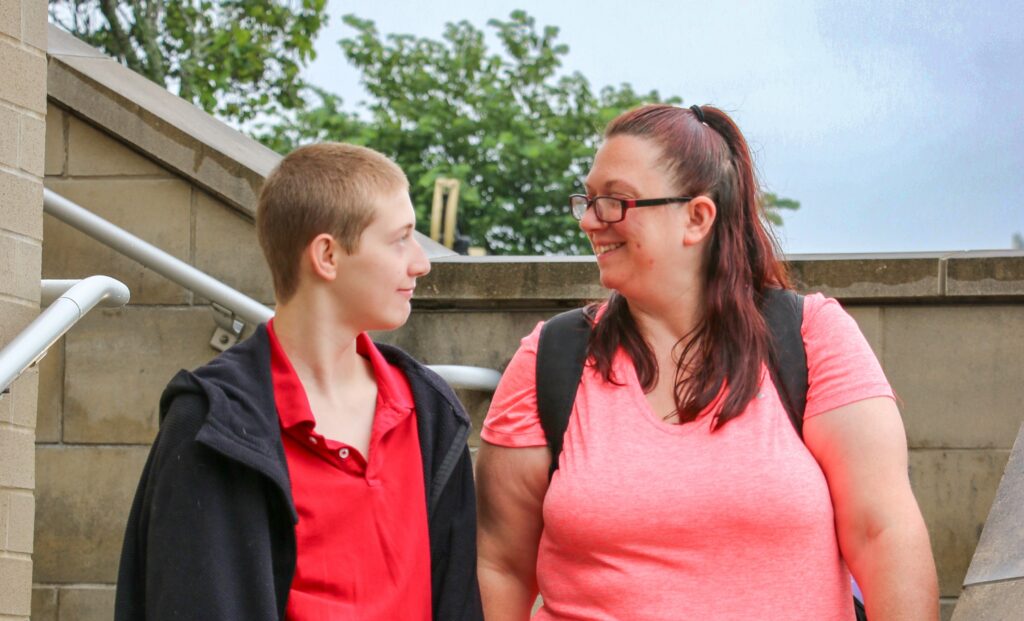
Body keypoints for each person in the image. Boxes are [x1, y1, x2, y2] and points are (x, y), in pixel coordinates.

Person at [476, 104, 938, 620]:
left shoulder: (811, 336)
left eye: (614, 202)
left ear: (696, 217)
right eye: (588, 200)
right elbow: (499, 563)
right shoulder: (549, 360)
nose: (589, 220)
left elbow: (885, 534)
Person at [115, 143, 483, 620]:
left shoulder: (431, 413)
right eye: (400, 239)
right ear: (327, 255)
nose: (421, 262)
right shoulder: (212, 422)